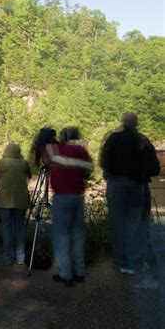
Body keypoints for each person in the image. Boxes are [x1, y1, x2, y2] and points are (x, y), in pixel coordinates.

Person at [100, 112, 160, 275]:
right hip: (136, 185)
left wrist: (110, 174)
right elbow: (155, 167)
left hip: (116, 185)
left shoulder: (112, 139)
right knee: (136, 223)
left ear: (122, 123)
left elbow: (103, 160)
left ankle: (121, 262)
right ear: (137, 123)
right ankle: (136, 262)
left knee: (117, 222)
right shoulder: (142, 140)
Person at [46, 127, 93, 286]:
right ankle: (80, 272)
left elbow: (44, 158)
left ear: (63, 136)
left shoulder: (57, 149)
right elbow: (89, 169)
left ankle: (66, 274)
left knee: (61, 237)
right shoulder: (82, 150)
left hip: (62, 197)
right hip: (78, 196)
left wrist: (46, 138)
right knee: (78, 235)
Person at [0, 142, 32, 265]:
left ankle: (8, 257)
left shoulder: (2, 163)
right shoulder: (24, 163)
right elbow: (29, 175)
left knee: (6, 228)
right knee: (20, 229)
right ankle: (20, 257)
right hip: (20, 200)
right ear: (18, 151)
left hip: (4, 201)